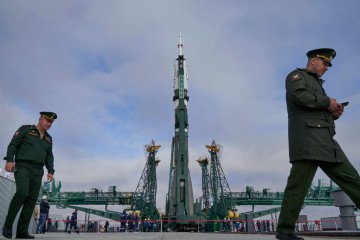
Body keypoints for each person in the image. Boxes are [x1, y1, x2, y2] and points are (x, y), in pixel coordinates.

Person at [276, 48, 360, 240]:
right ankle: (285, 230)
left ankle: (285, 230)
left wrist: (333, 113)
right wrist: (326, 103)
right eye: (324, 63)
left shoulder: (318, 85)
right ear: (313, 60)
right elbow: (299, 97)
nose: (326, 68)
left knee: (354, 181)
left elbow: (316, 109)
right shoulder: (296, 76)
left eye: (328, 65)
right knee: (297, 187)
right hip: (307, 141)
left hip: (326, 142)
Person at [2, 111, 57, 239]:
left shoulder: (49, 139)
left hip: (38, 170)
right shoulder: (26, 130)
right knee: (22, 193)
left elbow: (49, 155)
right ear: (40, 119)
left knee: (32, 199)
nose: (49, 123)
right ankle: (8, 226)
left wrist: (50, 170)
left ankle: (22, 231)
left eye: (51, 122)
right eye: (47, 120)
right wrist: (10, 160)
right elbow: (13, 144)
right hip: (23, 166)